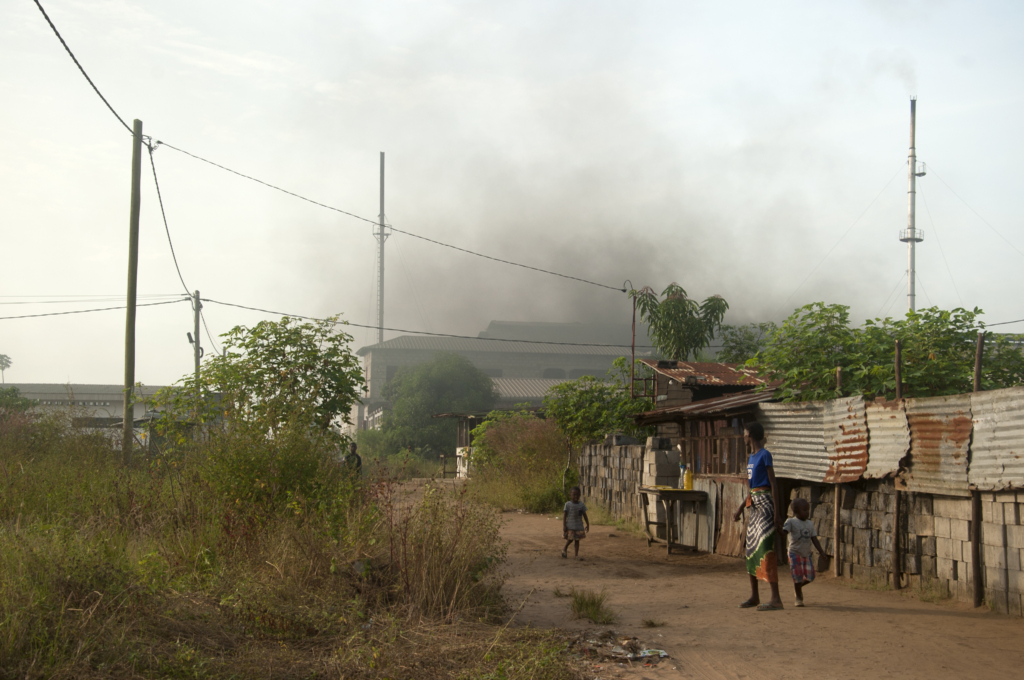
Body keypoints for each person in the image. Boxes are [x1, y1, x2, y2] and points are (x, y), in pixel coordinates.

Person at [733, 421, 785, 610]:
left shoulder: (765, 455)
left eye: (745, 433)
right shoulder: (751, 458)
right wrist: (740, 508)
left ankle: (776, 598)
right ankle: (754, 595)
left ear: (750, 435)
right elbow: (751, 489)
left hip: (766, 506)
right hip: (754, 505)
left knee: (766, 549)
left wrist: (777, 514)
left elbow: (773, 483)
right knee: (751, 550)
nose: (743, 436)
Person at [783, 498, 826, 607]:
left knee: (810, 576)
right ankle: (798, 597)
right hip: (794, 552)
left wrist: (821, 552)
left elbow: (814, 538)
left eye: (808, 510)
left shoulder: (810, 524)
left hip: (806, 554)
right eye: (804, 510)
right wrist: (779, 528)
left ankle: (798, 586)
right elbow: (784, 533)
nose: (807, 512)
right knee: (797, 575)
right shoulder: (791, 522)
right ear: (796, 511)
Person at [562, 486, 590, 559]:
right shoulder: (567, 504)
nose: (576, 496)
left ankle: (576, 555)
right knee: (570, 539)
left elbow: (584, 515)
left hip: (578, 525)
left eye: (577, 495)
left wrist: (587, 524)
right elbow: (565, 516)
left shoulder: (581, 505)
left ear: (580, 495)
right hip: (570, 525)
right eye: (574, 494)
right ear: (570, 495)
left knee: (577, 540)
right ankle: (565, 548)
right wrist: (564, 525)